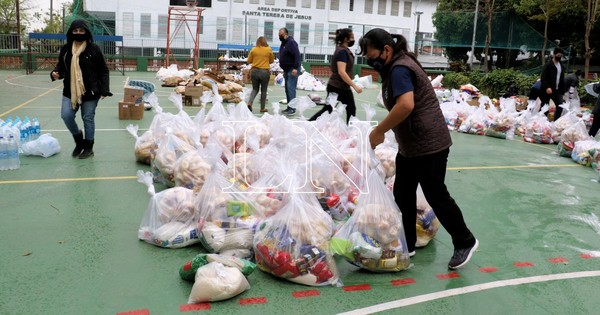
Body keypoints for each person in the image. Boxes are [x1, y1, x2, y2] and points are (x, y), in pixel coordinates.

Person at [359, 28, 478, 269]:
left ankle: (465, 240)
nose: (372, 62)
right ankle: (408, 243)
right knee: (403, 192)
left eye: (373, 57)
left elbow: (405, 105)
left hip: (429, 144)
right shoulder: (398, 64)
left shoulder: (400, 68)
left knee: (435, 193)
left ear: (387, 50)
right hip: (412, 145)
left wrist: (379, 130)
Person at [51, 19, 112, 159]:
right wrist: (56, 73)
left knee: (88, 118)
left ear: (86, 32)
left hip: (90, 91)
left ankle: (89, 147)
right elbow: (60, 66)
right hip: (70, 91)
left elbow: (103, 70)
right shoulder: (66, 49)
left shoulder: (94, 49)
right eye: (75, 31)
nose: (78, 33)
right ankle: (79, 140)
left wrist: (104, 89)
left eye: (81, 31)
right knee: (66, 115)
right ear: (71, 32)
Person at [309, 28, 363, 123]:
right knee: (328, 110)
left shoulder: (344, 50)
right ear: (346, 39)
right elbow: (341, 72)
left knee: (351, 109)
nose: (353, 40)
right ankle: (309, 124)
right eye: (352, 37)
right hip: (336, 87)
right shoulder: (342, 52)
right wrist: (355, 86)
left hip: (343, 87)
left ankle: (350, 130)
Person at [247, 36, 274, 113]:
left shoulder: (253, 50)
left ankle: (249, 103)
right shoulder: (269, 49)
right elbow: (271, 61)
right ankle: (262, 108)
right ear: (265, 42)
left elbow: (249, 61)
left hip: (254, 71)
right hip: (264, 72)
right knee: (264, 90)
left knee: (255, 89)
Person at [278, 28, 301, 115]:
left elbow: (297, 55)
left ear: (286, 34)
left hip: (292, 69)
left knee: (291, 88)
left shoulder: (291, 42)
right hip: (287, 69)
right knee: (287, 89)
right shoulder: (283, 43)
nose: (280, 36)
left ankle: (292, 108)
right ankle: (289, 107)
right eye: (279, 34)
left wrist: (295, 68)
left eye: (281, 34)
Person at [540, 47, 565, 120]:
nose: (559, 57)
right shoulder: (548, 65)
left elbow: (561, 78)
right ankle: (542, 122)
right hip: (547, 90)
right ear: (554, 54)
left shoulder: (560, 65)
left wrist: (562, 90)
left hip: (557, 90)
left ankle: (556, 122)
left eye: (561, 56)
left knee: (560, 105)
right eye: (558, 55)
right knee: (545, 107)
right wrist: (547, 87)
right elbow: (543, 78)